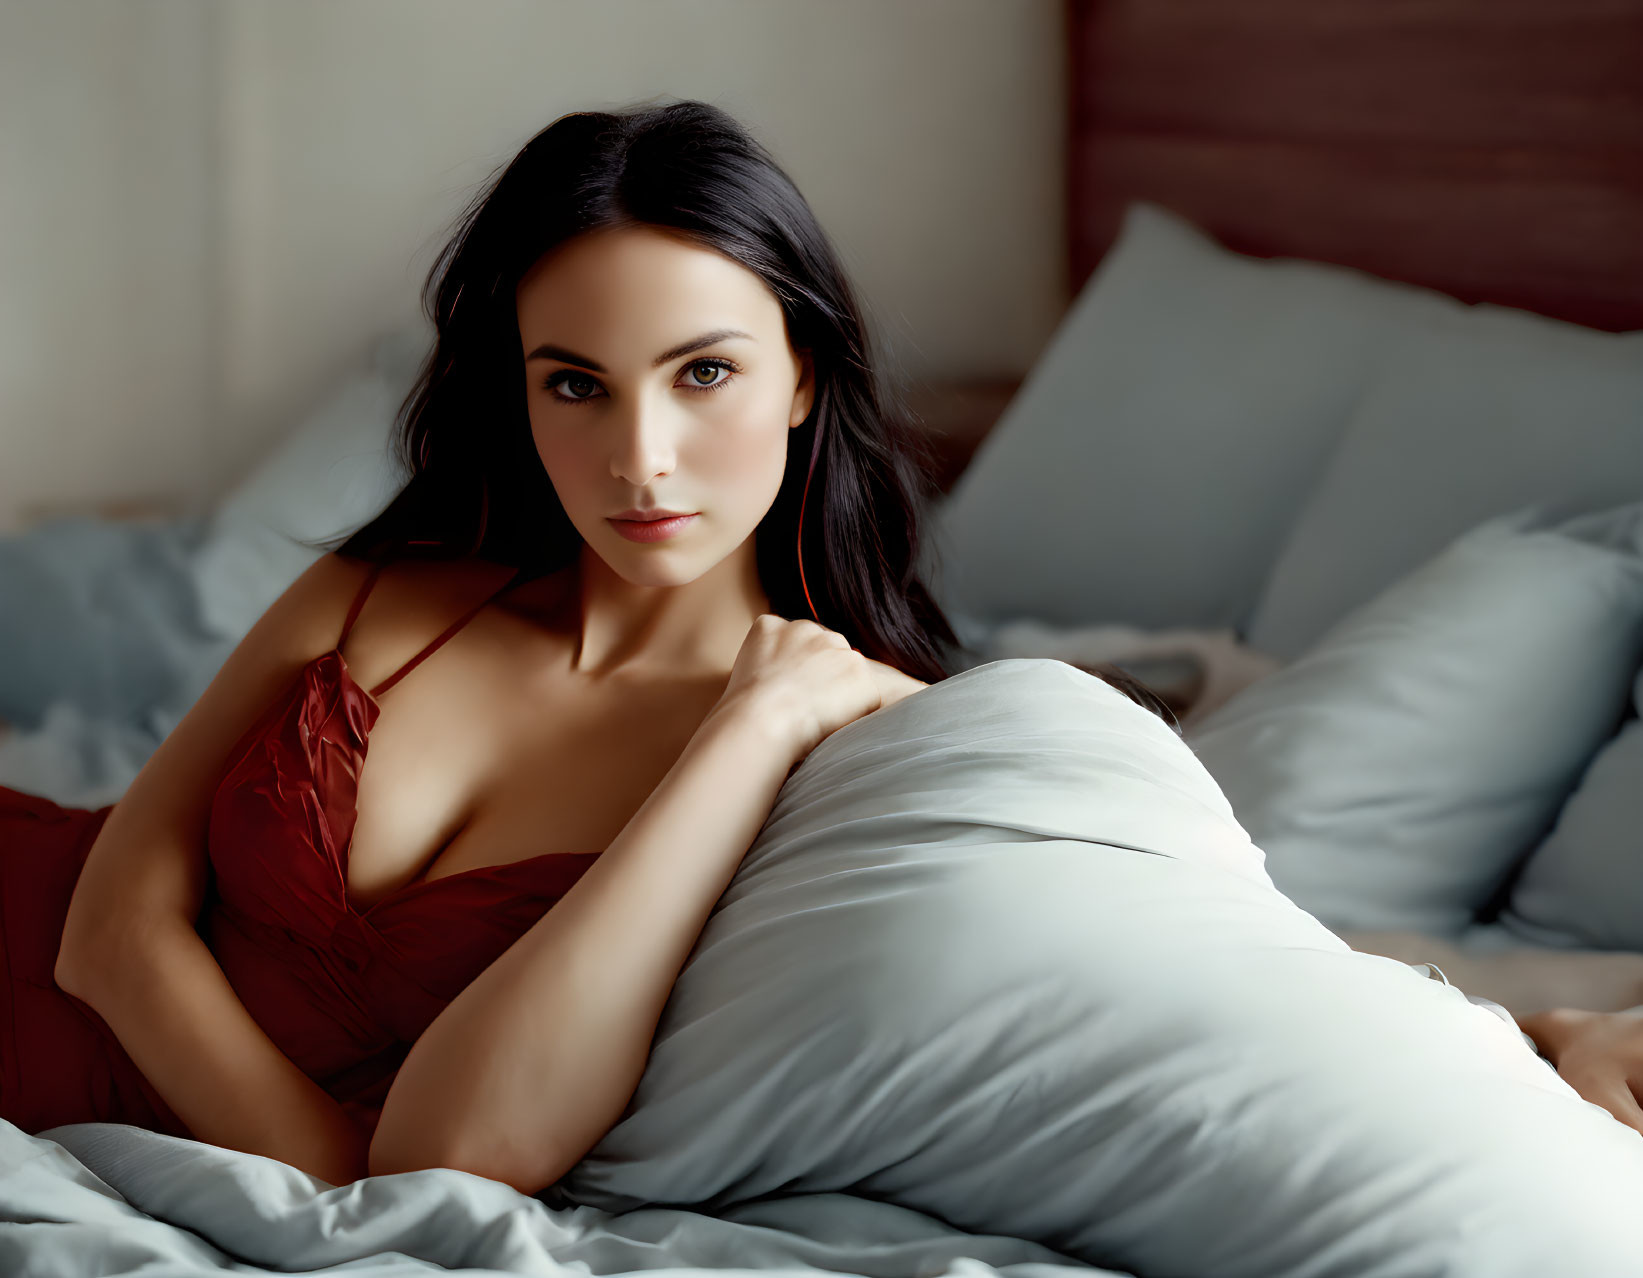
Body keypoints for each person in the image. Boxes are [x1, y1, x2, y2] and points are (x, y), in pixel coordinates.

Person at [0, 98, 1635, 1197]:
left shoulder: (845, 729)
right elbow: (103, 921)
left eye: (701, 374)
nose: (638, 458)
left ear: (801, 376)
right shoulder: (394, 584)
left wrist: (1539, 1030)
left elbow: (1191, 959)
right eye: (575, 382)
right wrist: (314, 1178)